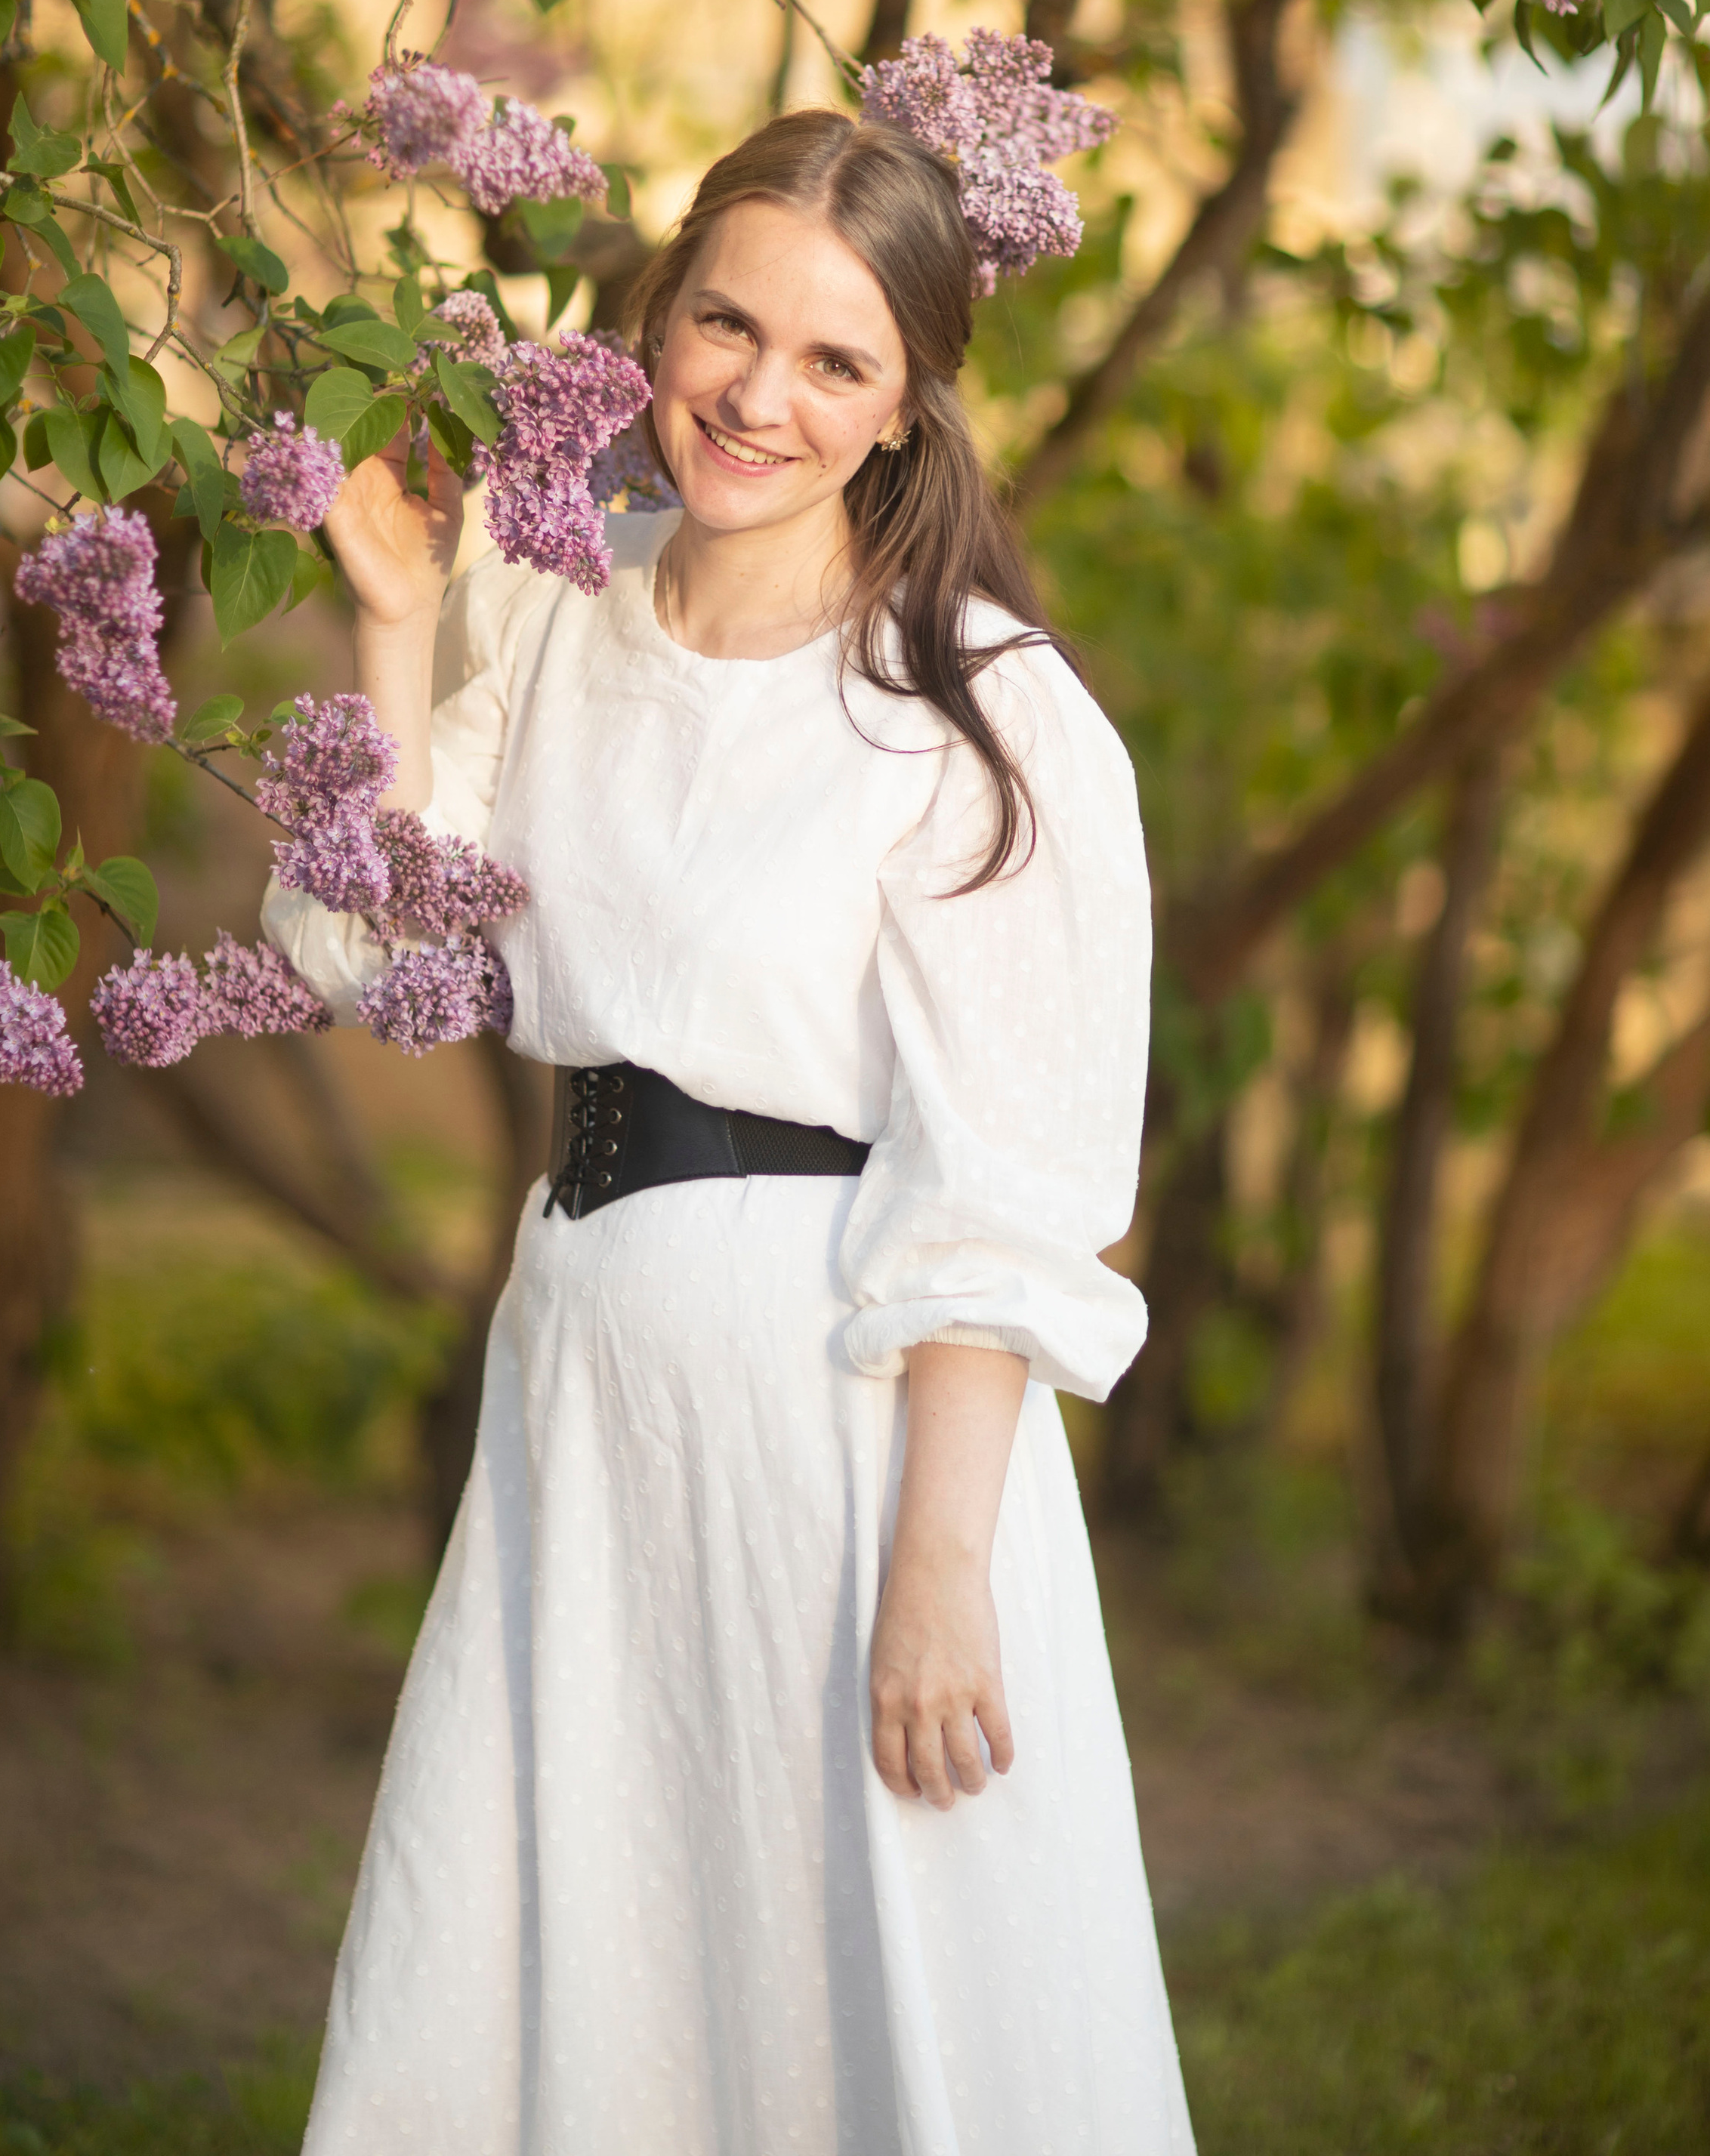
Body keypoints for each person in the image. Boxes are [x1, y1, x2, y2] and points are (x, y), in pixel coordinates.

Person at [265, 110, 1198, 2156]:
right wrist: (402, 627)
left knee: (865, 1992)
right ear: (662, 316)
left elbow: (1006, 1181)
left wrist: (941, 1559)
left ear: (902, 406)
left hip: (846, 1442)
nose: (759, 396)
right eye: (727, 325)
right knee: (598, 1963)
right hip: (592, 1406)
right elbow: (354, 946)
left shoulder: (976, 709)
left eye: (836, 363)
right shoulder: (562, 617)